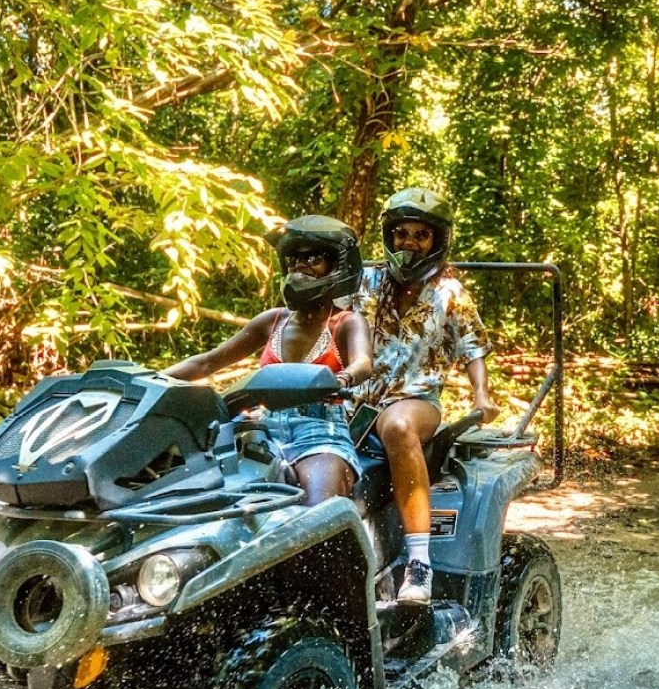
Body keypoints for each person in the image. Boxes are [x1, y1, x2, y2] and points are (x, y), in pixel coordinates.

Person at [351, 187, 501, 605]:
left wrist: (481, 394)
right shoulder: (367, 280)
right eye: (401, 233)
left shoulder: (449, 291)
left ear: (437, 239)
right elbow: (331, 326)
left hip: (416, 401)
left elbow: (472, 346)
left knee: (396, 425)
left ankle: (419, 564)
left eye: (421, 235)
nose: (409, 243)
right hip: (356, 402)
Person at [164, 215, 372, 506]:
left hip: (318, 434)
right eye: (293, 258)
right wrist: (152, 379)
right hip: (258, 431)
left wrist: (342, 379)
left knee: (317, 513)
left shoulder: (345, 322)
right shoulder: (272, 321)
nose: (300, 264)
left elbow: (363, 362)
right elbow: (208, 363)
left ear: (337, 266)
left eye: (312, 257)